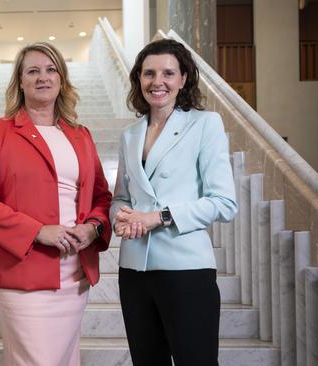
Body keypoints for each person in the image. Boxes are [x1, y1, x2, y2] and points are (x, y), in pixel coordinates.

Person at [0, 42, 112, 366]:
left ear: (61, 78)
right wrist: (37, 231)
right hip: (24, 269)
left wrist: (93, 228)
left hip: (75, 272)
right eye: (33, 71)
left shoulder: (80, 134)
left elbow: (102, 197)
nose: (42, 77)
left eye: (50, 69)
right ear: (20, 81)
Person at [110, 39, 238, 366]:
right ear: (139, 79)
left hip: (186, 269)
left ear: (183, 79)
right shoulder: (130, 134)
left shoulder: (205, 124)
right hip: (134, 271)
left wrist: (159, 217)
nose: (158, 82)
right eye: (149, 73)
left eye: (168, 73)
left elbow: (224, 202)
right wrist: (119, 216)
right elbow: (121, 196)